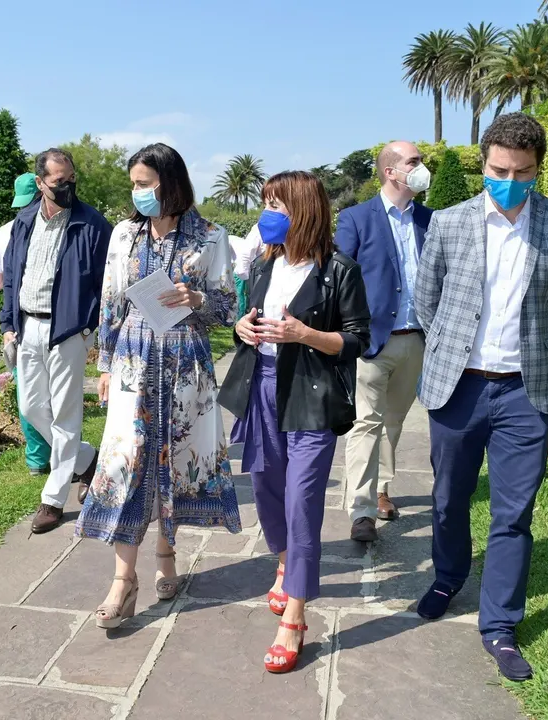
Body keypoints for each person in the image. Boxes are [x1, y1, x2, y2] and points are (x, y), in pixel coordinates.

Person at [414, 113, 548, 682]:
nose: (508, 179)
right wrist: (455, 351)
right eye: (497, 169)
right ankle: (448, 575)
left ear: (537, 169)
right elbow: (426, 299)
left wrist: (530, 347)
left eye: (520, 171)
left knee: (514, 514)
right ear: (483, 163)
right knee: (448, 498)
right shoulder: (450, 222)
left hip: (524, 391)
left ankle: (500, 627)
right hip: (459, 385)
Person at [75, 143, 241, 629]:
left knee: (175, 458)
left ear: (170, 182)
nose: (138, 192)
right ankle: (123, 580)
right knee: (127, 462)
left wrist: (197, 298)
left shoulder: (210, 236)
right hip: (132, 358)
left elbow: (227, 309)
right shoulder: (125, 234)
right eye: (134, 184)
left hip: (186, 362)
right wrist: (104, 364)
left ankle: (166, 558)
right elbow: (109, 301)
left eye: (145, 183)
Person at [220, 171, 371, 673]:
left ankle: (297, 617)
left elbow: (356, 341)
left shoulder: (339, 270)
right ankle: (284, 561)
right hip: (261, 387)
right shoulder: (266, 265)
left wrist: (306, 333)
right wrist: (242, 328)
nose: (268, 213)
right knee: (265, 487)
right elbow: (249, 322)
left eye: (277, 205)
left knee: (302, 499)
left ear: (303, 210)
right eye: (266, 203)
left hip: (310, 394)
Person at [0, 148, 112, 534]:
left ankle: (53, 498)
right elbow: (13, 275)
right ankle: (87, 460)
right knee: (31, 408)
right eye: (58, 181)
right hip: (27, 326)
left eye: (71, 179)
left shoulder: (92, 224)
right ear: (40, 183)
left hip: (68, 331)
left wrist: (92, 328)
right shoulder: (24, 221)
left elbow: (107, 284)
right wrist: (7, 324)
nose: (67, 186)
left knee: (65, 416)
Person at [336, 141, 434, 543]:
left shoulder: (432, 220)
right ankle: (361, 511)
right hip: (371, 342)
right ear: (391, 172)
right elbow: (340, 276)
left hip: (416, 340)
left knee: (392, 424)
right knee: (366, 424)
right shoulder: (356, 218)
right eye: (413, 162)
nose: (421, 168)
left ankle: (380, 489)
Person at [0, 172, 51, 476]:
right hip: (46, 320)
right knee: (56, 395)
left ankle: (37, 459)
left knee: (28, 392)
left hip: (17, 321)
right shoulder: (52, 229)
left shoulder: (5, 231)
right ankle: (66, 455)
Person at [229, 227, 264, 320]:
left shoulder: (226, 241)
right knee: (247, 295)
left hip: (241, 268)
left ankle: (239, 317)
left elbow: (225, 260)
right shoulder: (232, 239)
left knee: (239, 295)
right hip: (249, 268)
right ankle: (246, 314)